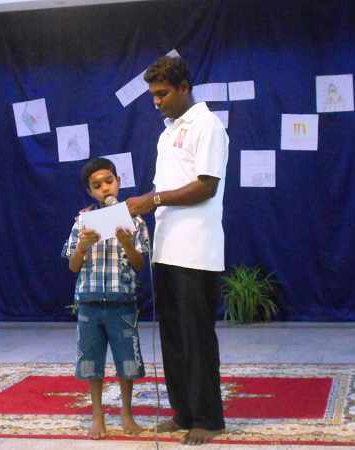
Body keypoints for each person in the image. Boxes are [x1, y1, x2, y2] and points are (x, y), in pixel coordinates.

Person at [126, 56, 229, 445]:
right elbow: (163, 191)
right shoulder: (167, 133)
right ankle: (183, 411)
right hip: (166, 248)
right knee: (171, 334)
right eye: (153, 96)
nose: (156, 102)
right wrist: (135, 210)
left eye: (163, 94)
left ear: (184, 88)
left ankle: (209, 418)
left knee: (196, 335)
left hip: (196, 250)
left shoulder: (207, 125)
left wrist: (152, 200)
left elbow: (206, 186)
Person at [62, 157, 150, 439]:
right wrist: (82, 247)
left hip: (122, 302)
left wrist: (127, 243)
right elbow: (73, 266)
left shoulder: (135, 221)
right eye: (97, 185)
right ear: (90, 192)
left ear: (119, 182)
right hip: (89, 303)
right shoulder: (82, 222)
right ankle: (97, 415)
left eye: (109, 181)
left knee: (127, 361)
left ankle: (127, 412)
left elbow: (139, 264)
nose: (104, 188)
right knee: (91, 362)